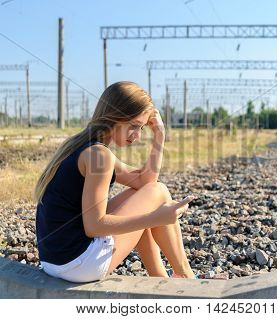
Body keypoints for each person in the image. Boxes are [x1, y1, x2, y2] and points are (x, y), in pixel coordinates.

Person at [34, 81, 196, 283]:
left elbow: (145, 182)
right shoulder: (99, 155)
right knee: (159, 192)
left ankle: (162, 279)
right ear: (115, 117)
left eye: (142, 129)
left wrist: (159, 135)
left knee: (150, 194)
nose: (137, 136)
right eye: (134, 126)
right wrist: (155, 218)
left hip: (55, 260)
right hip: (77, 263)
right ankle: (187, 277)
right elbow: (94, 226)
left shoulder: (86, 146)